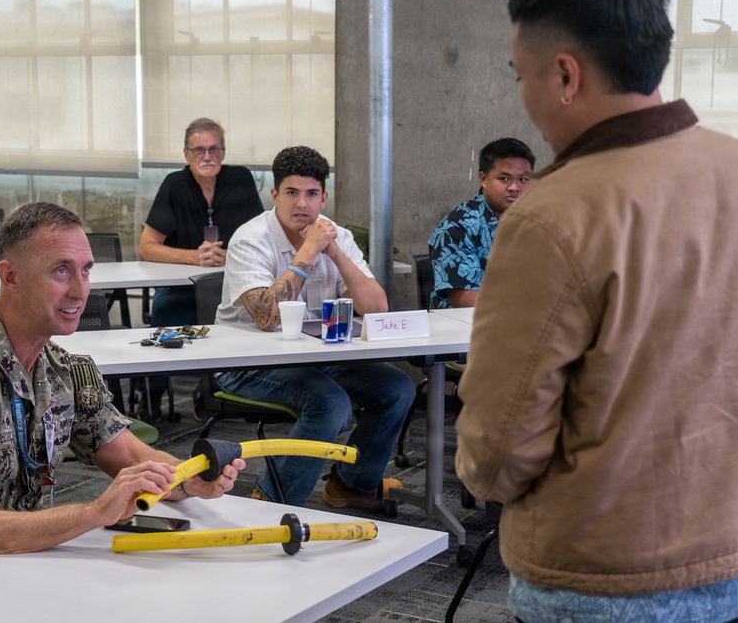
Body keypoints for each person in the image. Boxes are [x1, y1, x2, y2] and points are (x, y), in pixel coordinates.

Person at [454, 0, 738, 622]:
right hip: (737, 549)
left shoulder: (556, 212)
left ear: (564, 75)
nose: (521, 95)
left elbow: (501, 450)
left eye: (520, 76)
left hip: (599, 568)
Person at [0, 202, 244, 602]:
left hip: (17, 569)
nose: (80, 291)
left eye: (86, 270)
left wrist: (188, 479)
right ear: (11, 277)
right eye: (60, 271)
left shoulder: (66, 371)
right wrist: (96, 512)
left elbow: (131, 458)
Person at [215, 145, 415, 508]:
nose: (301, 204)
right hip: (244, 361)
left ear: (324, 198)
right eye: (291, 193)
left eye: (311, 194)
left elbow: (375, 309)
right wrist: (307, 252)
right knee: (330, 403)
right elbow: (267, 317)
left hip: (312, 358)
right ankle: (272, 500)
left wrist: (334, 252)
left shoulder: (335, 236)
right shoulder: (250, 239)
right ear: (274, 195)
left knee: (398, 388)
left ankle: (350, 485)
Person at [138, 118, 264, 418]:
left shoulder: (241, 179)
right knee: (164, 317)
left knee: (258, 321)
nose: (207, 156)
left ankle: (233, 392)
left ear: (223, 151)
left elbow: (263, 233)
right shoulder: (175, 185)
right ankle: (151, 399)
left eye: (214, 149)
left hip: (232, 288)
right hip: (181, 289)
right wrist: (194, 257)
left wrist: (233, 256)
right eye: (199, 150)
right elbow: (146, 247)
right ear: (186, 154)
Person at [428, 137, 534, 309]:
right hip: (467, 327)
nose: (515, 187)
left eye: (523, 180)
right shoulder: (457, 227)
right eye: (504, 179)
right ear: (483, 179)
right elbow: (465, 300)